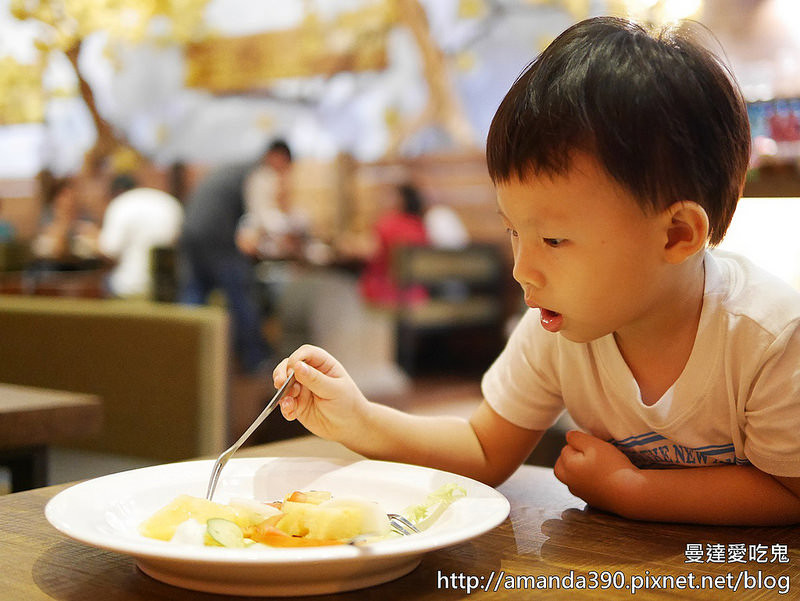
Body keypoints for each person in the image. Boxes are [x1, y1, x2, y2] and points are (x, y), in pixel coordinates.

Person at [270, 17, 800, 526]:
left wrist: (639, 491)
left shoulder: (769, 338)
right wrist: (358, 418)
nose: (524, 269)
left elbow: (789, 491)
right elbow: (483, 449)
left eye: (553, 239)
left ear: (676, 235)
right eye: (513, 233)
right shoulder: (559, 331)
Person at [179, 140, 293, 374]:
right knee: (241, 295)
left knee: (194, 295)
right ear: (277, 156)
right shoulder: (259, 172)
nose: (282, 174)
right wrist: (287, 232)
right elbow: (263, 215)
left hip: (190, 229)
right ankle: (255, 360)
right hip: (217, 235)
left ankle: (186, 359)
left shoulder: (234, 168)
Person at [97, 174, 184, 298]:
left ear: (117, 192)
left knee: (101, 282)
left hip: (128, 287)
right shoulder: (167, 201)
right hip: (168, 290)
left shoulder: (121, 204)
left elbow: (109, 250)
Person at [358, 183, 429, 306]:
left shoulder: (387, 224)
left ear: (400, 200)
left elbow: (370, 253)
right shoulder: (419, 226)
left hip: (384, 293)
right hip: (416, 295)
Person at [31, 178, 99, 269]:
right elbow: (57, 251)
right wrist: (64, 225)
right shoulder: (47, 224)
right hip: (53, 271)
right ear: (56, 202)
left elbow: (100, 248)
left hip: (84, 270)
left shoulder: (87, 224)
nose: (69, 202)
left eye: (73, 198)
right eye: (65, 197)